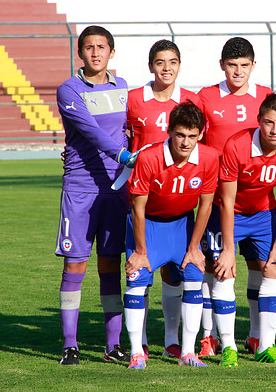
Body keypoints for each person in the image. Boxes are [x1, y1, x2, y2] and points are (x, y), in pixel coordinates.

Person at [208, 93, 276, 366]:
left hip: (264, 214)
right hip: (228, 213)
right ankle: (228, 346)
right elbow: (227, 201)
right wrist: (229, 250)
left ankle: (265, 345)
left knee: (275, 269)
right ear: (258, 121)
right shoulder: (237, 145)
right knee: (224, 271)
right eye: (268, 122)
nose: (275, 130)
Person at [55, 25, 134, 365]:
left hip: (115, 189)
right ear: (80, 53)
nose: (96, 52)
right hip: (80, 188)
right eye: (89, 47)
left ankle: (112, 346)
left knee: (109, 266)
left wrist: (132, 153)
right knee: (75, 264)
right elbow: (89, 130)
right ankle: (69, 345)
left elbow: (130, 130)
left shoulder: (124, 89)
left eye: (102, 47)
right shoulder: (68, 89)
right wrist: (123, 155)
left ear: (111, 52)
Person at [123, 101, 219, 369]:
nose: (185, 142)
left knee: (194, 275)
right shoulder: (149, 158)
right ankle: (136, 352)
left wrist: (195, 247)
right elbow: (137, 207)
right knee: (136, 279)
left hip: (182, 227)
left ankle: (187, 352)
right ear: (170, 132)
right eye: (180, 135)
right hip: (148, 226)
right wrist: (141, 252)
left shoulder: (210, 158)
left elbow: (206, 205)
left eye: (192, 136)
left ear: (200, 134)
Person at [198, 37, 272, 357]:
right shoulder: (206, 97)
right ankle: (208, 335)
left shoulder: (267, 97)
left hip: (259, 201)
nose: (238, 72)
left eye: (244, 65)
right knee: (213, 268)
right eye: (232, 65)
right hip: (217, 200)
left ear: (253, 66)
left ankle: (256, 335)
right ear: (222, 65)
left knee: (260, 265)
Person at [126, 39, 200, 360]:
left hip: (179, 203)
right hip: (143, 200)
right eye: (160, 62)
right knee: (137, 270)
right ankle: (139, 341)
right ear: (150, 66)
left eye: (172, 62)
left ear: (179, 65)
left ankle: (172, 339)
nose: (166, 68)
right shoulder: (133, 100)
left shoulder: (191, 101)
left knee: (174, 273)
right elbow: (116, 136)